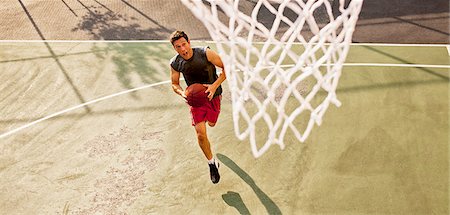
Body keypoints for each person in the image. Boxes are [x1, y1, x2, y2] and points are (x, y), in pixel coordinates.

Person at [169, 30, 226, 184]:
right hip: (195, 100)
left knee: (212, 124)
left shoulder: (205, 53)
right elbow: (174, 84)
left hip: (213, 96)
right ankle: (212, 164)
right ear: (174, 48)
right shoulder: (175, 63)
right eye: (178, 47)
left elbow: (226, 69)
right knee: (201, 134)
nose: (182, 49)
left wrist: (214, 87)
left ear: (189, 42)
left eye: (184, 44)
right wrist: (183, 93)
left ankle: (210, 119)